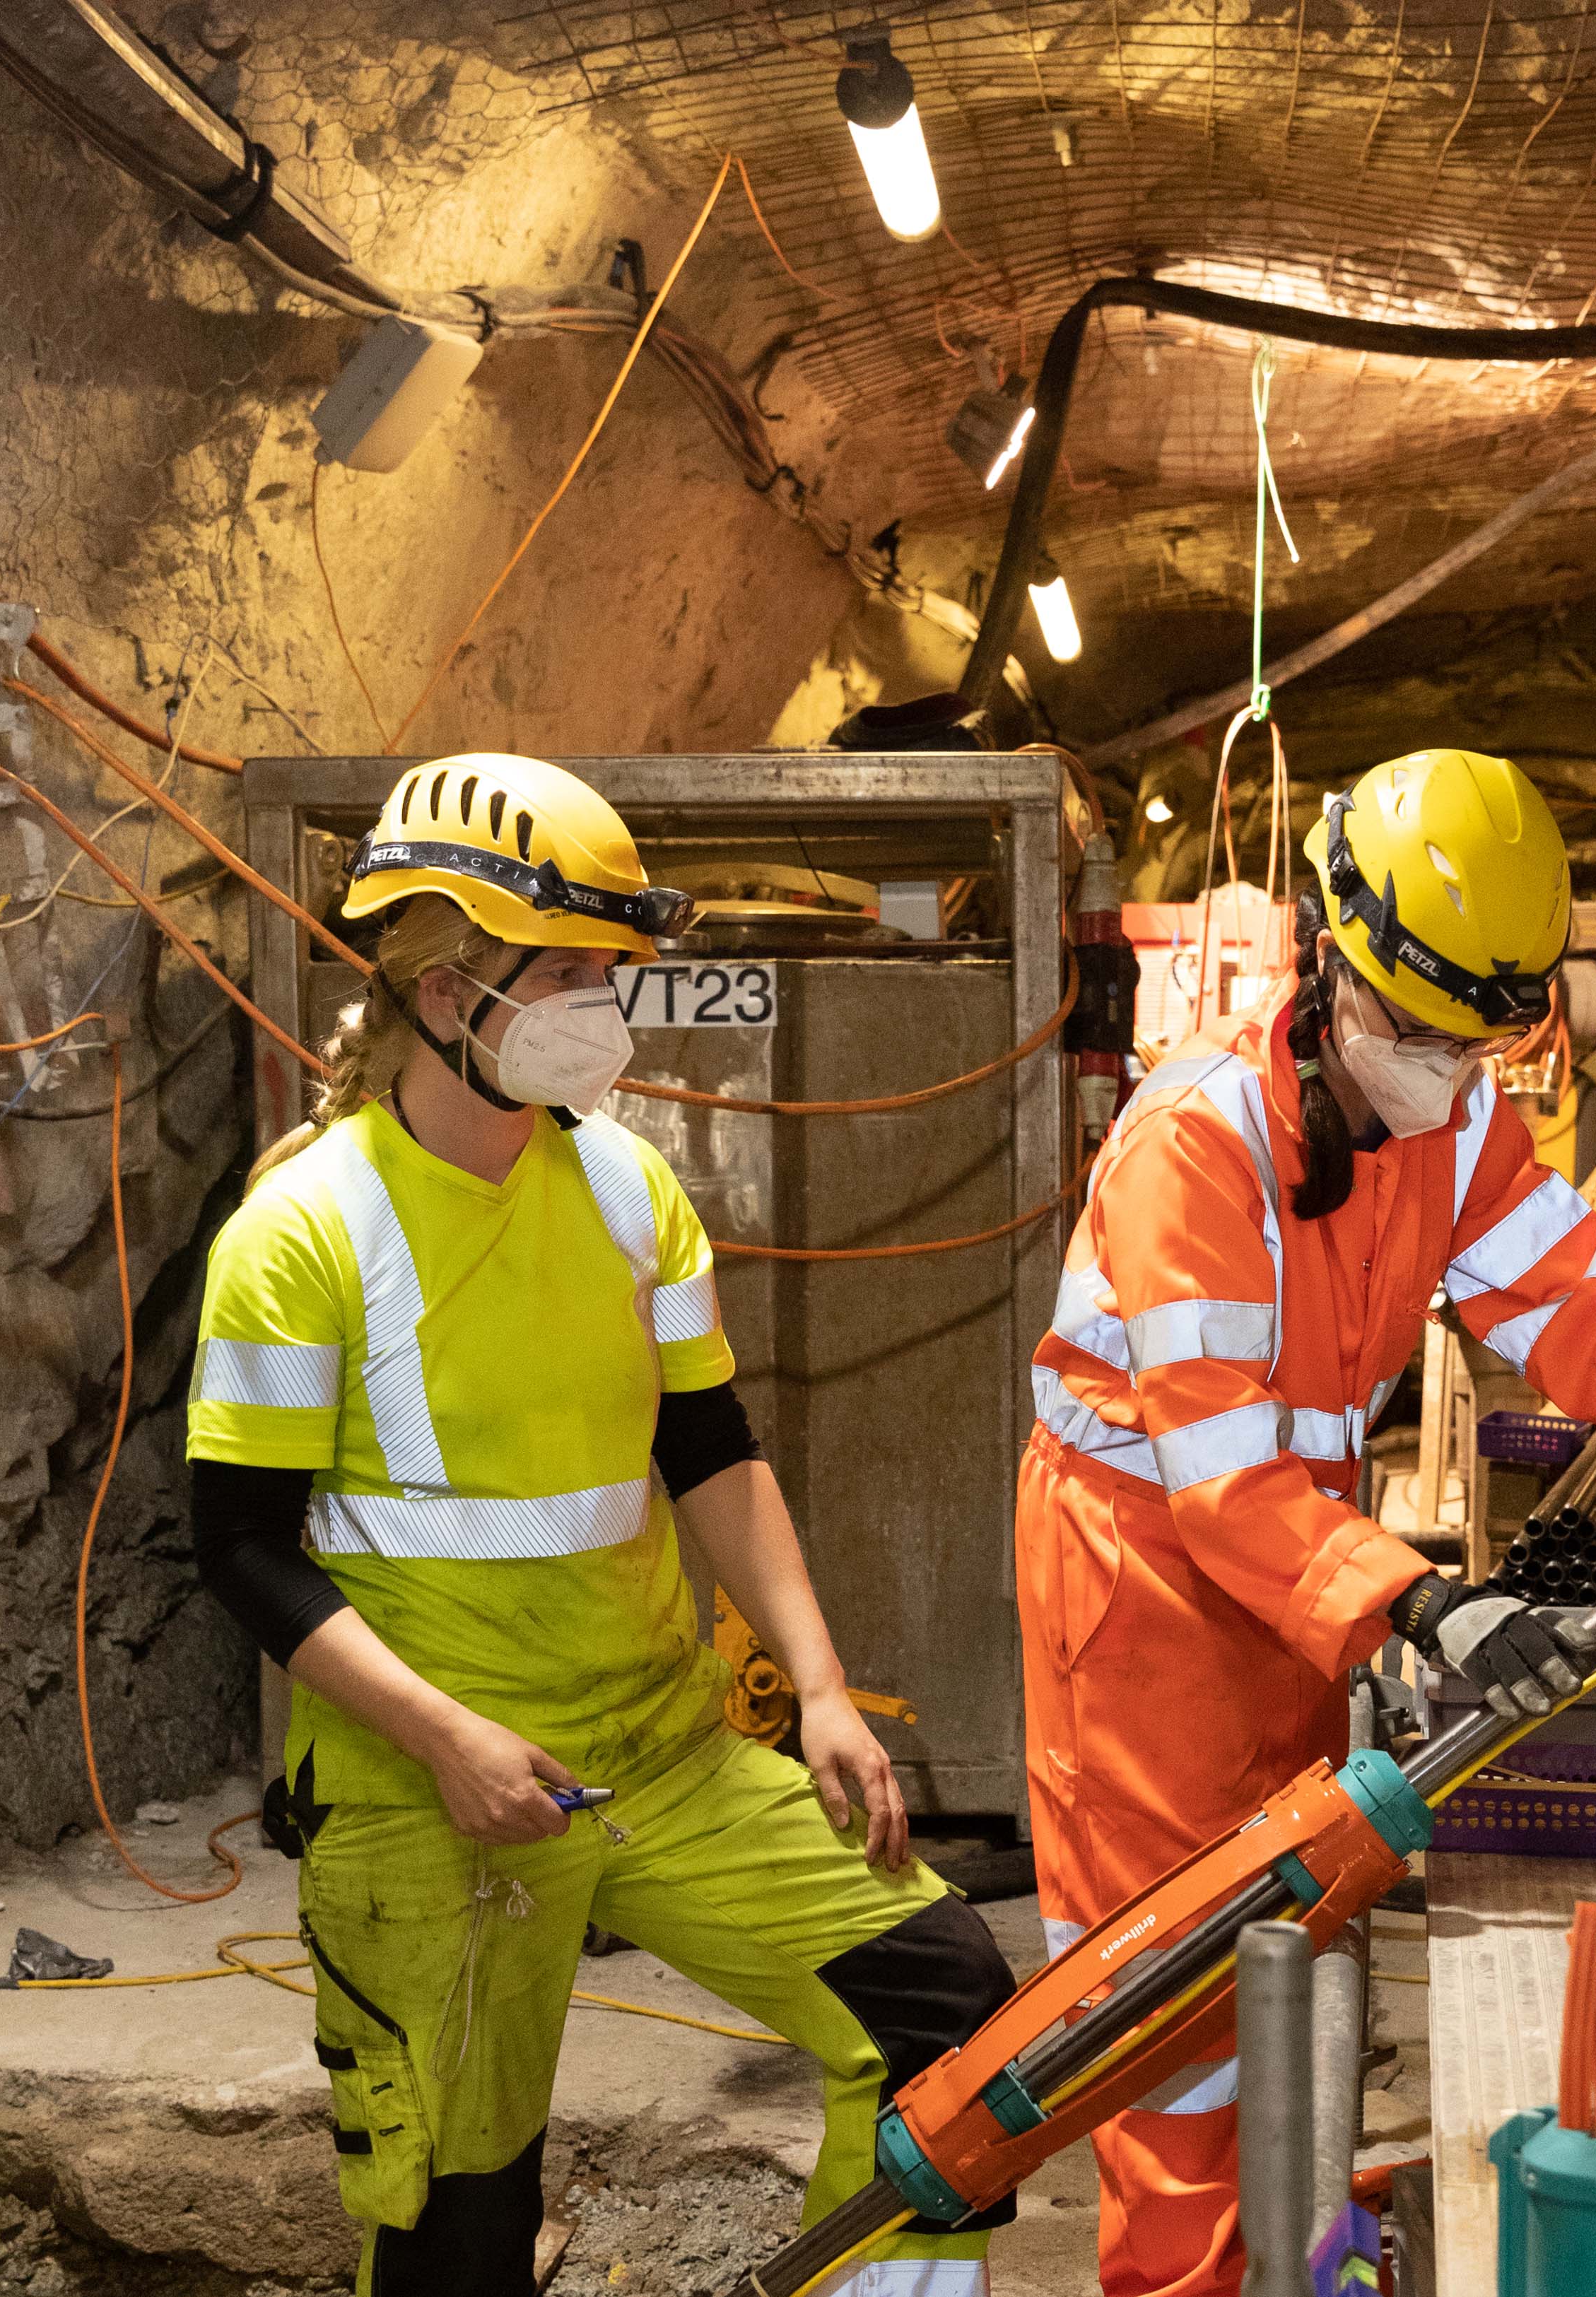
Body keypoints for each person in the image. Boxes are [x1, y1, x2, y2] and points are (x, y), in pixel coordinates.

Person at [184, 753, 1016, 2297]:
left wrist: (820, 1685)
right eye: (561, 974)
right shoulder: (302, 1230)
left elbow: (710, 1447)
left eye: (611, 974)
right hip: (432, 1792)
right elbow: (237, 1544)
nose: (602, 1008)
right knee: (461, 2216)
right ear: (441, 990)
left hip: (663, 1755)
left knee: (949, 2011)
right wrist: (445, 1737)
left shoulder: (634, 1189)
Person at [1016, 748, 1596, 2297]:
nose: (1450, 1066)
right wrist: (1420, 1604)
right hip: (1145, 1596)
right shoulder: (1196, 1145)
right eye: (1425, 1030)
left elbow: (1559, 1298)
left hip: (1297, 1579)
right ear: (1331, 958)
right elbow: (1221, 1474)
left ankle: (1281, 2250)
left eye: (1478, 1036)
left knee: (1284, 1954)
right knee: (1170, 2023)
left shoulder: (1446, 1118)